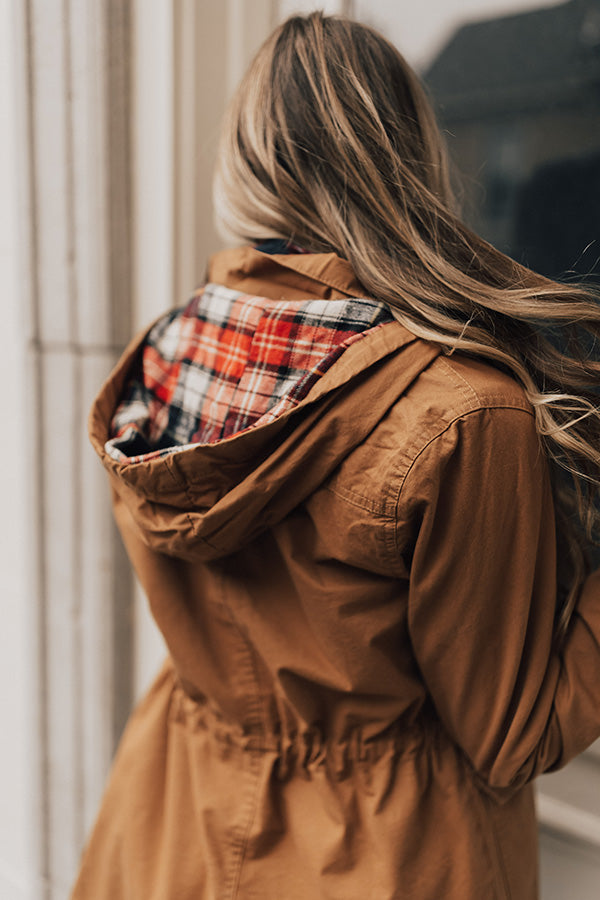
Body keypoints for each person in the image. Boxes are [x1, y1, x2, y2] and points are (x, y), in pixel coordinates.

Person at [72, 12, 600, 900]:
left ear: (242, 168)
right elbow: (516, 733)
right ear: (413, 160)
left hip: (174, 827)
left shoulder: (168, 353)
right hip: (385, 859)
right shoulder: (465, 412)